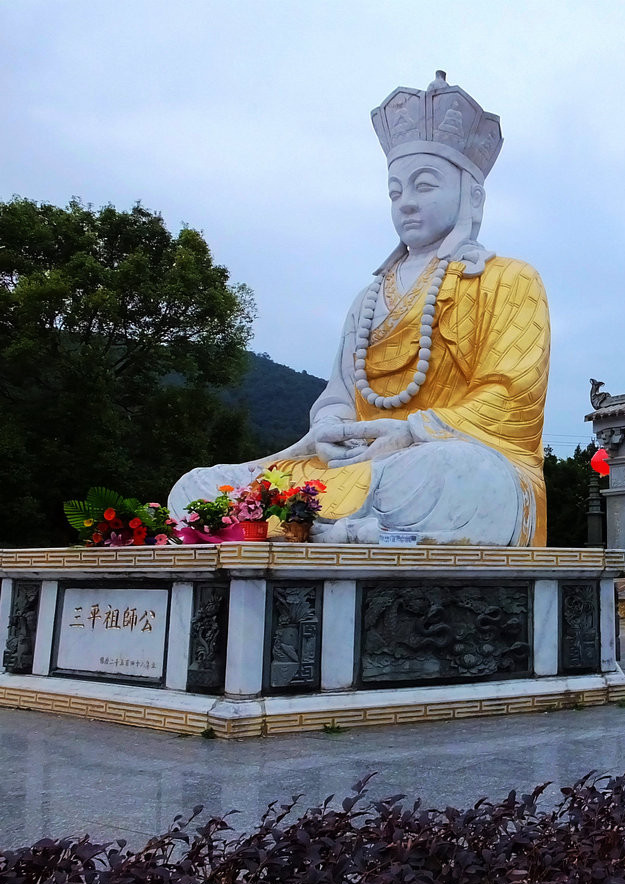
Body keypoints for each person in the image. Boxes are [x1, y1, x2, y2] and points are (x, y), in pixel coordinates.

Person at [169, 73, 549, 545]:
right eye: (395, 191)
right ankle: (333, 528)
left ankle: (320, 529)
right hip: (347, 466)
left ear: (471, 194)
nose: (406, 203)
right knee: (199, 486)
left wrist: (411, 433)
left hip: (433, 459)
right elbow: (340, 394)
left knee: (462, 472)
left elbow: (514, 401)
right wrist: (328, 425)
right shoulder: (370, 297)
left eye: (424, 186)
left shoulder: (508, 279)